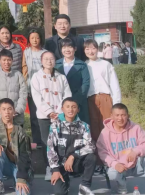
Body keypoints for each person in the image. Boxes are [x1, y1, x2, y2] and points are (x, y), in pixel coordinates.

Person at [30, 51, 72, 180]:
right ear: (41, 61)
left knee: (60, 141)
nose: (49, 61)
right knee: (46, 142)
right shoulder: (36, 77)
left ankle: (61, 167)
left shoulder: (61, 77)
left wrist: (59, 112)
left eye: (52, 59)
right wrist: (49, 112)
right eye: (46, 59)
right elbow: (36, 97)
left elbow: (67, 95)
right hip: (44, 116)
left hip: (60, 115)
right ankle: (49, 168)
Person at [97, 103, 145, 195]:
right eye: (117, 115)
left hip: (136, 164)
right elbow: (102, 153)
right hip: (119, 166)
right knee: (112, 173)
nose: (120, 118)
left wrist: (135, 151)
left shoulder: (136, 128)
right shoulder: (105, 133)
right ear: (111, 116)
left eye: (123, 115)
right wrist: (115, 164)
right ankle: (122, 185)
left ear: (128, 115)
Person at [47, 97, 96, 195]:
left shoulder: (84, 126)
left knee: (92, 157)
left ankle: (84, 187)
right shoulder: (55, 126)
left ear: (78, 109)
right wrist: (55, 170)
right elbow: (50, 149)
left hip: (77, 162)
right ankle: (65, 181)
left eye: (74, 107)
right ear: (62, 109)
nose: (71, 109)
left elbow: (91, 146)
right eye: (68, 106)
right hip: (60, 164)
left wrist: (74, 155)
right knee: (60, 193)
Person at [0, 98, 33, 195]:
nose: (7, 112)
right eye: (4, 109)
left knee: (23, 193)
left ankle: (16, 180)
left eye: (9, 109)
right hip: (3, 164)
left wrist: (21, 178)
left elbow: (25, 155)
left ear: (14, 111)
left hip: (18, 166)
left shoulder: (20, 131)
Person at [84, 39, 122, 144]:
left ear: (98, 49)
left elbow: (114, 84)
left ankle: (111, 145)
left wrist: (117, 102)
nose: (91, 51)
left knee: (108, 122)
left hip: (105, 97)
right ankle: (97, 147)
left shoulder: (106, 64)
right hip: (91, 99)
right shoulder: (84, 65)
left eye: (93, 48)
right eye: (87, 49)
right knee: (93, 123)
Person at [55, 38, 91, 124]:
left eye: (70, 47)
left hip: (78, 101)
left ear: (75, 48)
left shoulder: (82, 65)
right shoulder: (56, 64)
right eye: (64, 47)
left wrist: (75, 100)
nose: (67, 50)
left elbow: (85, 84)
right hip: (60, 101)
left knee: (79, 126)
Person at [0, 49, 28, 126]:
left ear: (12, 61)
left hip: (16, 116)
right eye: (4, 60)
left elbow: (23, 94)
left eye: (9, 60)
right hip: (0, 116)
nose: (6, 62)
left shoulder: (18, 75)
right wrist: (1, 110)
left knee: (16, 133)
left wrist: (17, 110)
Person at [24, 30, 46, 148]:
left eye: (37, 38)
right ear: (29, 39)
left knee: (44, 113)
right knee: (33, 115)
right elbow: (24, 69)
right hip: (31, 87)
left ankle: (46, 140)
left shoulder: (45, 53)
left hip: (44, 88)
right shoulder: (26, 52)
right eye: (32, 38)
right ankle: (37, 140)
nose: (35, 40)